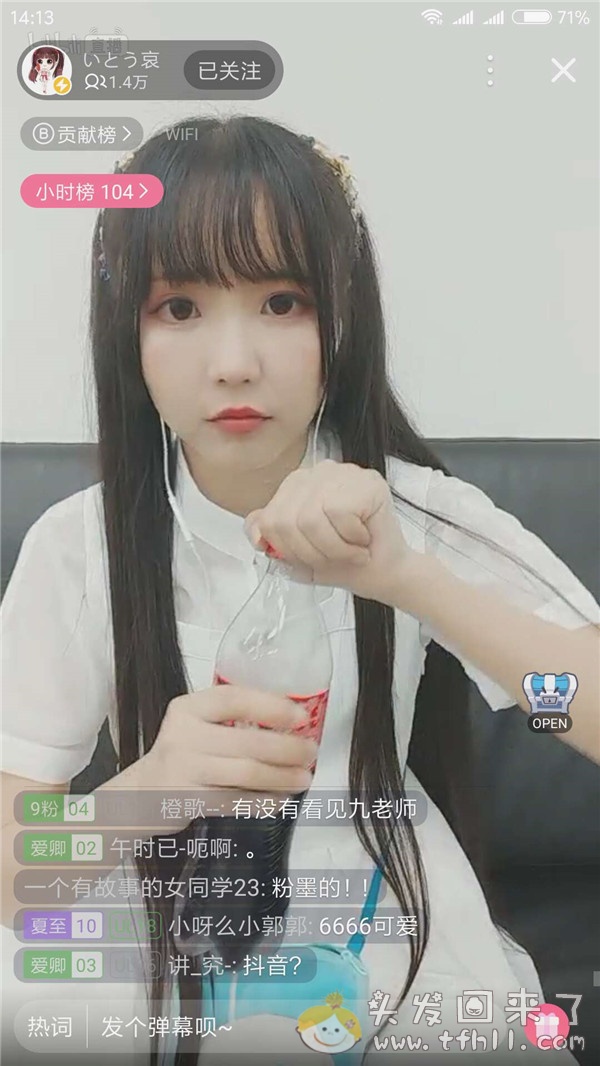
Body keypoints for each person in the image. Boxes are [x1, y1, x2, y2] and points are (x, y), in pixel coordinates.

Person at [2, 114, 598, 1066]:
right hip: (153, 920)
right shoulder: (80, 547)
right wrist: (151, 787)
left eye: (282, 301)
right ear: (126, 335)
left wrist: (406, 577)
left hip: (388, 918)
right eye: (180, 308)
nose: (234, 362)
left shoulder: (415, 513)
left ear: (341, 320)